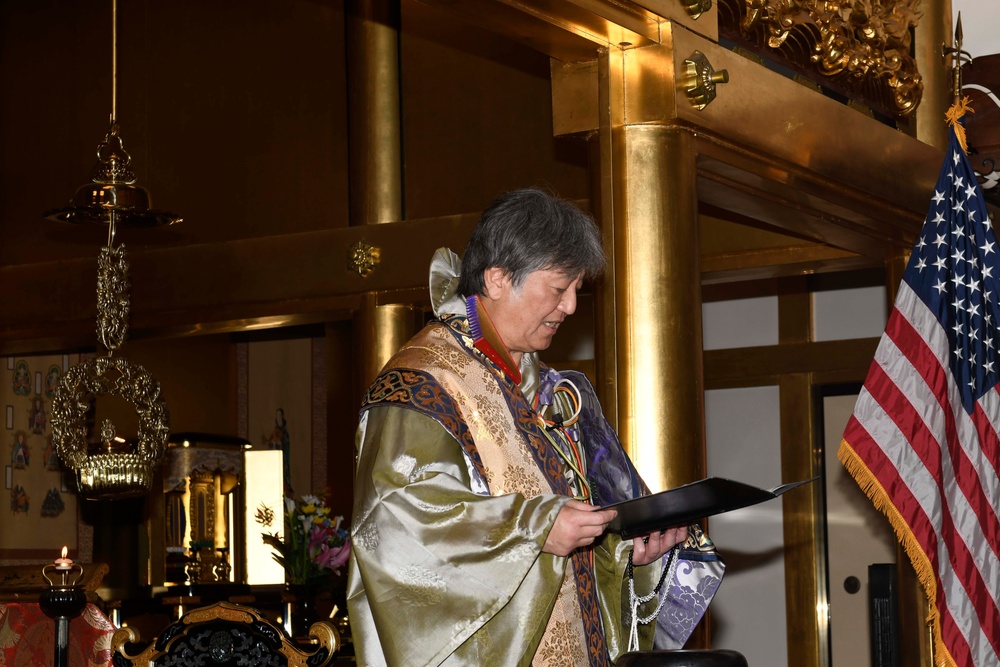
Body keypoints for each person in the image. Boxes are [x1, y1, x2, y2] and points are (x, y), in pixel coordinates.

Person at [347, 188, 724, 666]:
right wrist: (532, 527)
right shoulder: (423, 383)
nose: (569, 307)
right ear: (498, 278)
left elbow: (582, 543)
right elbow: (397, 523)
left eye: (575, 291)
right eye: (558, 288)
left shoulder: (550, 391)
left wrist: (627, 552)